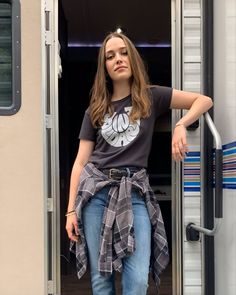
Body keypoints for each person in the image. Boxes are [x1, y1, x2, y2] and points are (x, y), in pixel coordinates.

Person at [65, 31, 213, 295]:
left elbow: (203, 100)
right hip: (95, 193)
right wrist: (69, 211)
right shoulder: (95, 110)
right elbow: (80, 163)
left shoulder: (151, 96)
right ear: (105, 68)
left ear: (132, 58)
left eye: (123, 53)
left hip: (135, 192)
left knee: (137, 280)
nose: (118, 59)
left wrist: (181, 123)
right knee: (101, 279)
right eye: (110, 57)